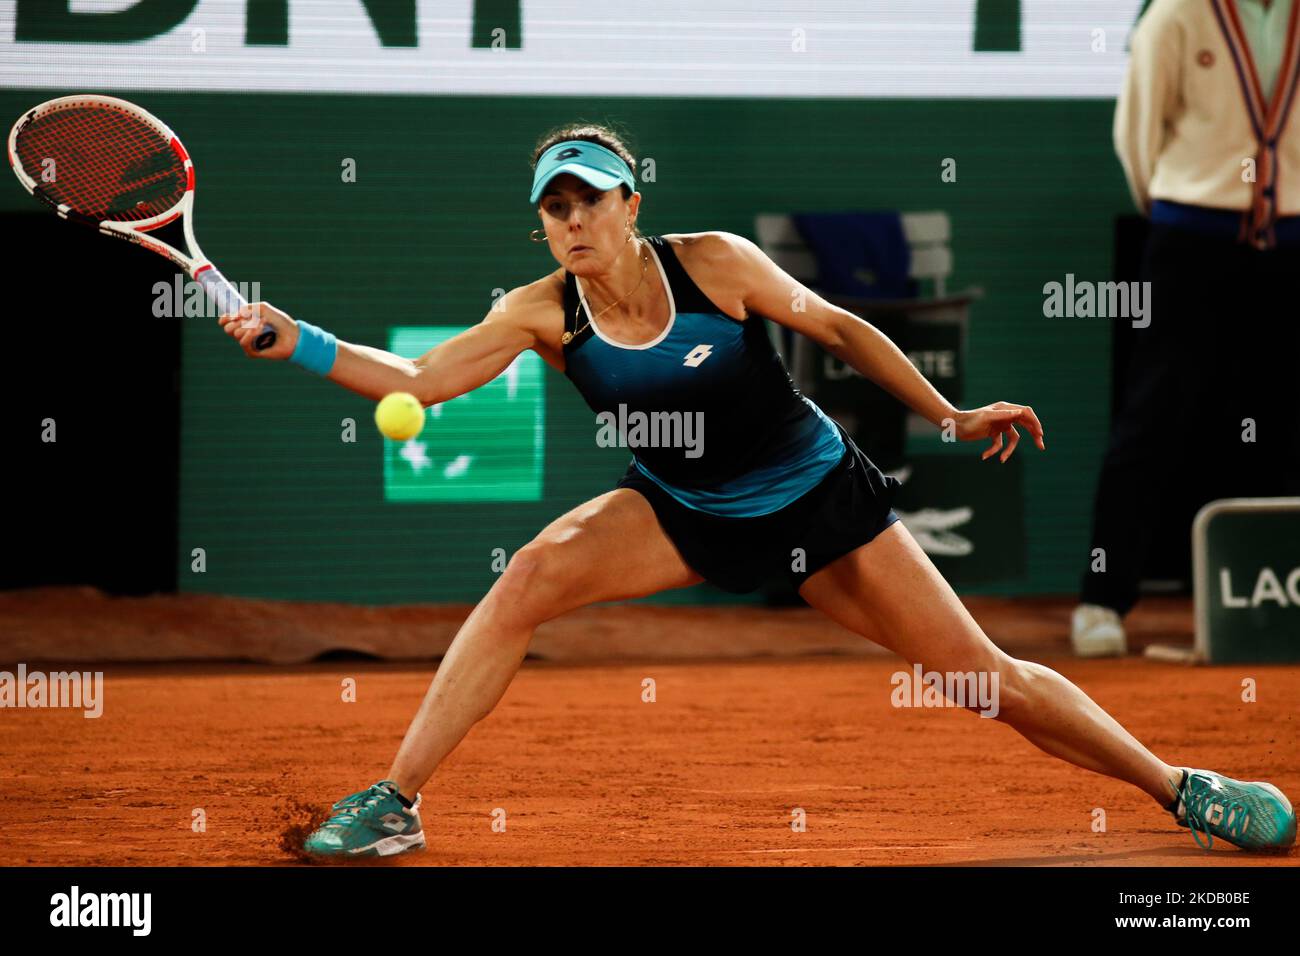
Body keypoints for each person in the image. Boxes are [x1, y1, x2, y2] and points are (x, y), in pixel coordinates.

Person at [219, 123, 1296, 857]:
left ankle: (1179, 785)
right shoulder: (538, 310)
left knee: (983, 682)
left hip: (820, 501)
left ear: (632, 201)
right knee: (530, 577)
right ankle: (396, 800)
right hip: (682, 509)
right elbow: (417, 381)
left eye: (592, 198)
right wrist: (296, 341)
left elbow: (837, 326)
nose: (574, 220)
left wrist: (949, 414)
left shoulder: (716, 264)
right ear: (540, 226)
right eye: (555, 208)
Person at [1073, 0, 1300, 656]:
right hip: (1194, 231)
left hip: (1294, 236)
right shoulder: (1174, 13)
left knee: (1288, 420)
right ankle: (1102, 603)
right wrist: (1185, 204)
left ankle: (1281, 605)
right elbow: (1136, 135)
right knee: (1154, 413)